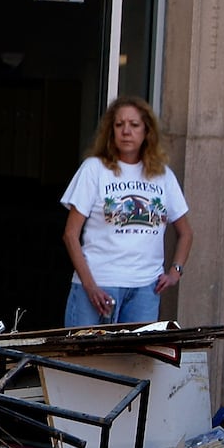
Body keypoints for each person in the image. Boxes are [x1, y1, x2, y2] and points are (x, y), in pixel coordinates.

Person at [60, 96, 192, 327]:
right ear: (111, 131)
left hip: (145, 289)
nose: (126, 132)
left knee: (135, 362)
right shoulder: (94, 169)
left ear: (146, 131)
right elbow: (70, 234)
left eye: (134, 125)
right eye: (119, 125)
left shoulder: (163, 175)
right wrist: (90, 287)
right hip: (98, 285)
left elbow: (186, 233)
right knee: (83, 360)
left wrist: (175, 272)